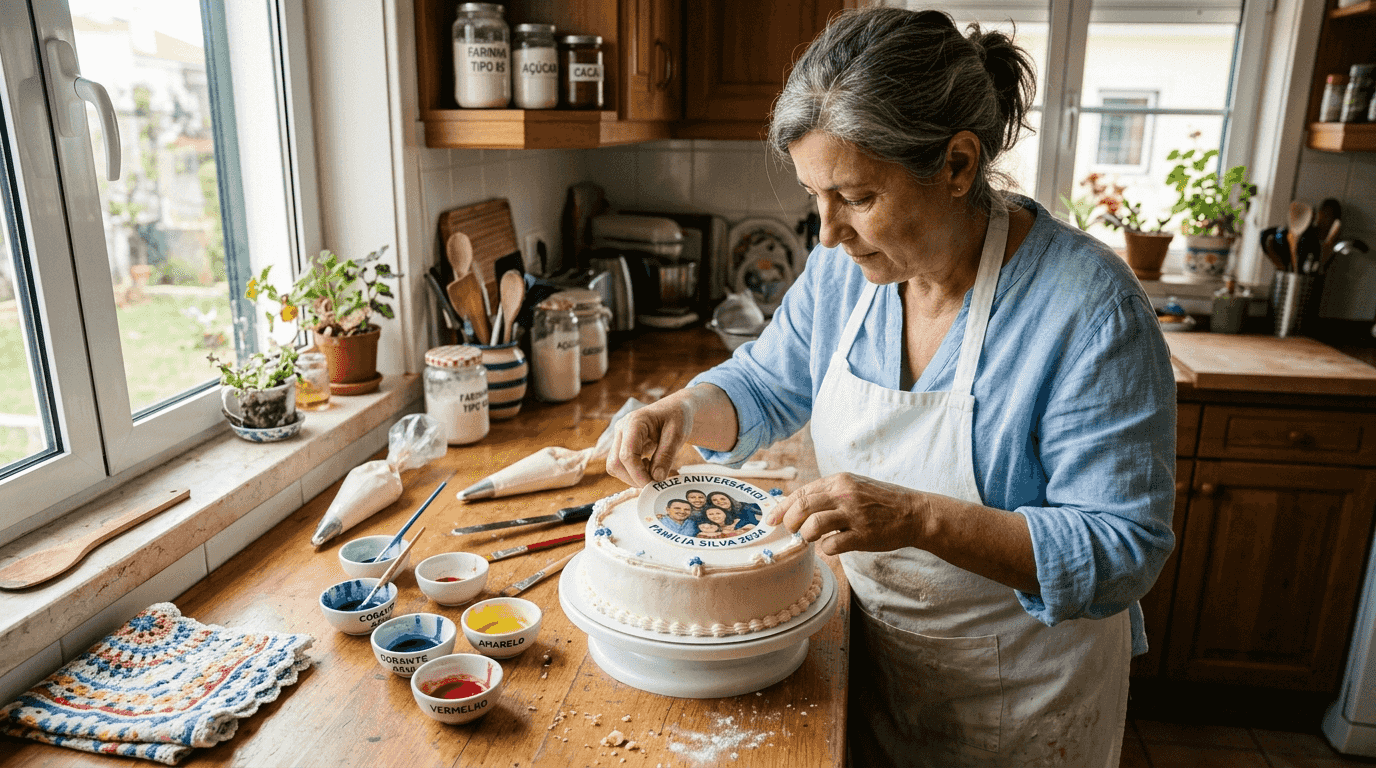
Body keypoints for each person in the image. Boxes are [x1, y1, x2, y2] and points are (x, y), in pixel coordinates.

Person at [607, 8, 1175, 767]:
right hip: (877, 663)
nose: (829, 233)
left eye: (857, 197)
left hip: (1025, 703)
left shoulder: (1088, 309)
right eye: (816, 197)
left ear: (958, 166)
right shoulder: (846, 273)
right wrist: (681, 410)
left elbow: (1120, 547)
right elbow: (768, 380)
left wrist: (916, 517)